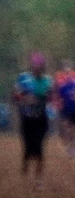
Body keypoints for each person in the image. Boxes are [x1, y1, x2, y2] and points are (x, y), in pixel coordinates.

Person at [13, 53, 53, 182]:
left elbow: (51, 97)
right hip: (27, 118)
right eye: (36, 66)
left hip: (41, 118)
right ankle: (25, 159)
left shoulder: (48, 81)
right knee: (28, 146)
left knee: (39, 146)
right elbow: (15, 96)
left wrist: (45, 97)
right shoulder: (24, 78)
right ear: (32, 66)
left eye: (41, 66)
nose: (38, 68)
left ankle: (39, 177)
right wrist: (24, 98)